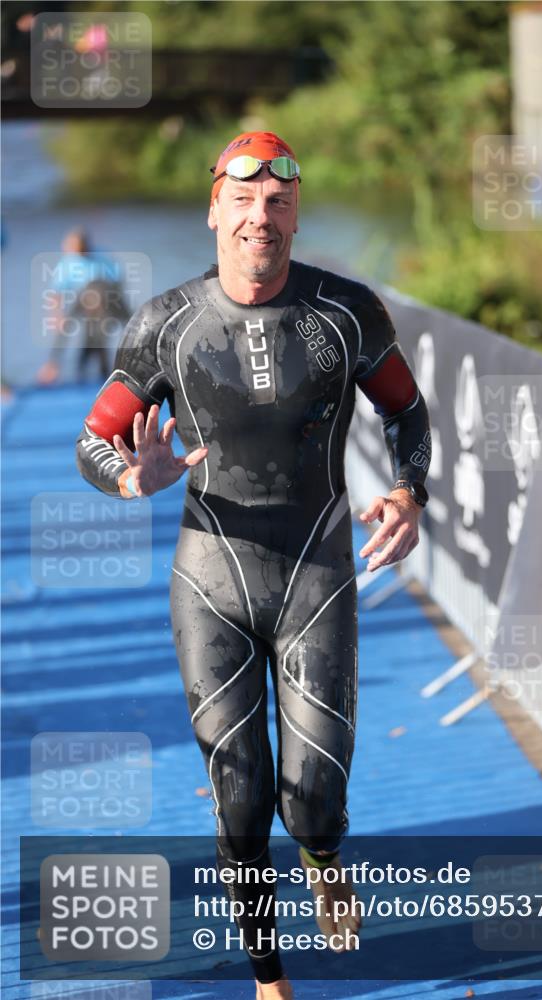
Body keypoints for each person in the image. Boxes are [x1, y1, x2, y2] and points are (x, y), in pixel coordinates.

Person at [75, 131, 431, 999]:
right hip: (211, 581)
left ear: (296, 214)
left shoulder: (347, 312)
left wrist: (408, 493)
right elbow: (91, 440)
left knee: (311, 800)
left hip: (316, 575)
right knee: (239, 801)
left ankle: (323, 858)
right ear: (214, 211)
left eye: (276, 203)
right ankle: (269, 979)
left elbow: (407, 414)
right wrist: (131, 478)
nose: (258, 218)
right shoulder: (166, 323)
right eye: (241, 201)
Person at [37, 228, 128, 385]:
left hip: (108, 297)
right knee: (66, 326)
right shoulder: (68, 262)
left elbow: (118, 283)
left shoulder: (102, 256)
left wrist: (112, 310)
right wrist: (57, 316)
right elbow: (56, 293)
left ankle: (113, 371)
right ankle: (53, 366)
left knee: (125, 326)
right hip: (84, 296)